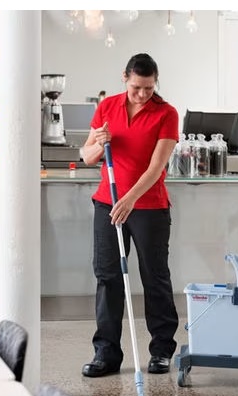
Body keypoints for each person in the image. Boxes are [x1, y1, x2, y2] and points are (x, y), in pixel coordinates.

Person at [80, 53, 179, 377]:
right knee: (107, 277)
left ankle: (161, 350)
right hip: (107, 204)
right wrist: (100, 143)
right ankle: (106, 354)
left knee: (154, 277)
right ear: (125, 78)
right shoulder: (107, 107)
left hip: (148, 207)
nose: (142, 94)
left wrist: (130, 199)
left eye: (149, 88)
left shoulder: (166, 113)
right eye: (137, 87)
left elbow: (156, 167)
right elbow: (87, 156)